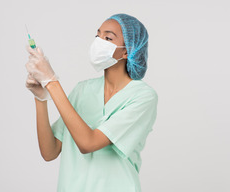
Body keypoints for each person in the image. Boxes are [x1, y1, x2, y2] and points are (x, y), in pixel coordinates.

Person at [25, 13, 158, 192]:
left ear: (127, 50)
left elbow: (88, 143)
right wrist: (40, 97)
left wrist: (51, 82)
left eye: (108, 37)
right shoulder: (83, 90)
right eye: (97, 36)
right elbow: (50, 152)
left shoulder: (143, 97)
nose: (98, 42)